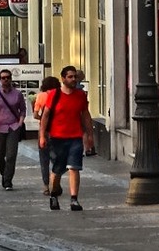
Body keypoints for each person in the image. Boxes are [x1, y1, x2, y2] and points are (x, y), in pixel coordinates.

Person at [38, 64, 94, 211]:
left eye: (75, 76)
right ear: (63, 78)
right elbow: (45, 116)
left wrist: (89, 135)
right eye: (70, 76)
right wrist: (42, 136)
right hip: (57, 137)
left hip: (75, 137)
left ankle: (74, 199)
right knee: (57, 170)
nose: (73, 79)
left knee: (74, 168)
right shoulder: (54, 95)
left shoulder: (81, 96)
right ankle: (54, 194)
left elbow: (85, 115)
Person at [0, 69, 28, 191]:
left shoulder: (17, 94)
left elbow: (23, 110)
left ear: (11, 79)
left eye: (8, 77)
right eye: (3, 78)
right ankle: (5, 174)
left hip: (13, 127)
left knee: (11, 155)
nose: (6, 80)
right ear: (0, 80)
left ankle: (8, 181)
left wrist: (20, 122)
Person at [34, 75, 63, 194]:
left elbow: (36, 115)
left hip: (43, 130)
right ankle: (55, 182)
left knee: (44, 158)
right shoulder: (60, 95)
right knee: (57, 157)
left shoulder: (40, 96)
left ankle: (46, 186)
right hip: (58, 130)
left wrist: (43, 119)